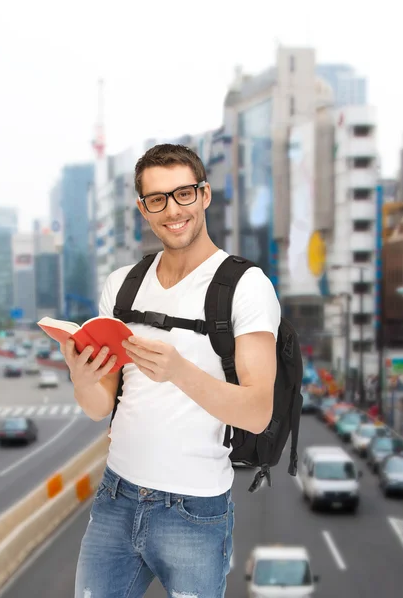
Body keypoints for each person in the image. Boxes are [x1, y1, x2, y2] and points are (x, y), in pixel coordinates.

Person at [61, 144, 280, 598]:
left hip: (195, 511)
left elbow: (258, 411)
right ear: (144, 209)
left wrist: (179, 371)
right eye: (157, 199)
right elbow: (101, 406)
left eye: (183, 194)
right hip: (115, 498)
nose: (172, 210)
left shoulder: (246, 286)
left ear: (204, 195)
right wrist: (83, 378)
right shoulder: (121, 285)